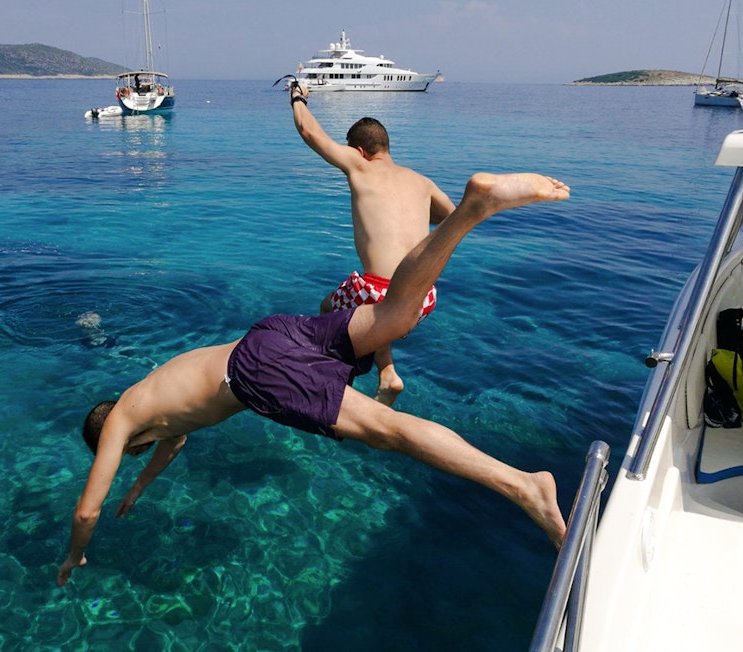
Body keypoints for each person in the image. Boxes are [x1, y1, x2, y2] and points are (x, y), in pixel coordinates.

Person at [57, 172, 570, 587]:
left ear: (110, 438)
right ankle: (471, 209)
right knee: (395, 315)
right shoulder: (151, 399)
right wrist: (141, 488)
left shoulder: (122, 420)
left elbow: (85, 512)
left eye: (125, 454)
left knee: (385, 432)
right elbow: (175, 438)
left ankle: (525, 487)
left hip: (255, 371)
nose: (133, 455)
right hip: (270, 335)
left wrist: (74, 557)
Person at [290, 82, 456, 405]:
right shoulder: (422, 182)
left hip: (379, 291)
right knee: (380, 305)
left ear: (360, 151)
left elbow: (310, 133)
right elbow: (452, 217)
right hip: (424, 297)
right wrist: (420, 218)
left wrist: (297, 97)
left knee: (329, 308)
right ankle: (386, 373)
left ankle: (334, 381)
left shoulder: (360, 167)